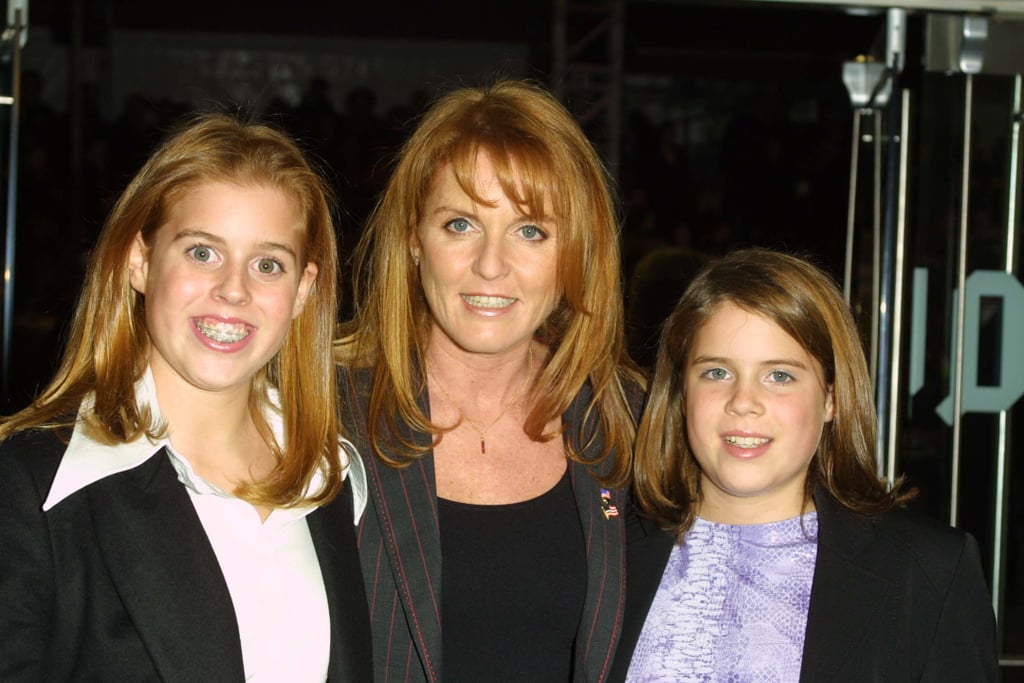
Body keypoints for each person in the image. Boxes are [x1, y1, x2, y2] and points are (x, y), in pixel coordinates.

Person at [0, 113, 372, 681]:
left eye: (268, 264)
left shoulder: (331, 476)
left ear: (302, 292)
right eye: (202, 252)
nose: (233, 289)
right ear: (139, 261)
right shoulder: (28, 489)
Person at [335, 79, 645, 682]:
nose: (491, 264)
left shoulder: (625, 419)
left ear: (575, 253)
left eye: (531, 231)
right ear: (413, 240)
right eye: (460, 225)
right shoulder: (322, 408)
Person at [611, 247, 999, 682]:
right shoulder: (606, 549)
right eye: (717, 372)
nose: (743, 403)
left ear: (832, 397)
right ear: (681, 391)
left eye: (780, 376)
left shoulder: (927, 573)